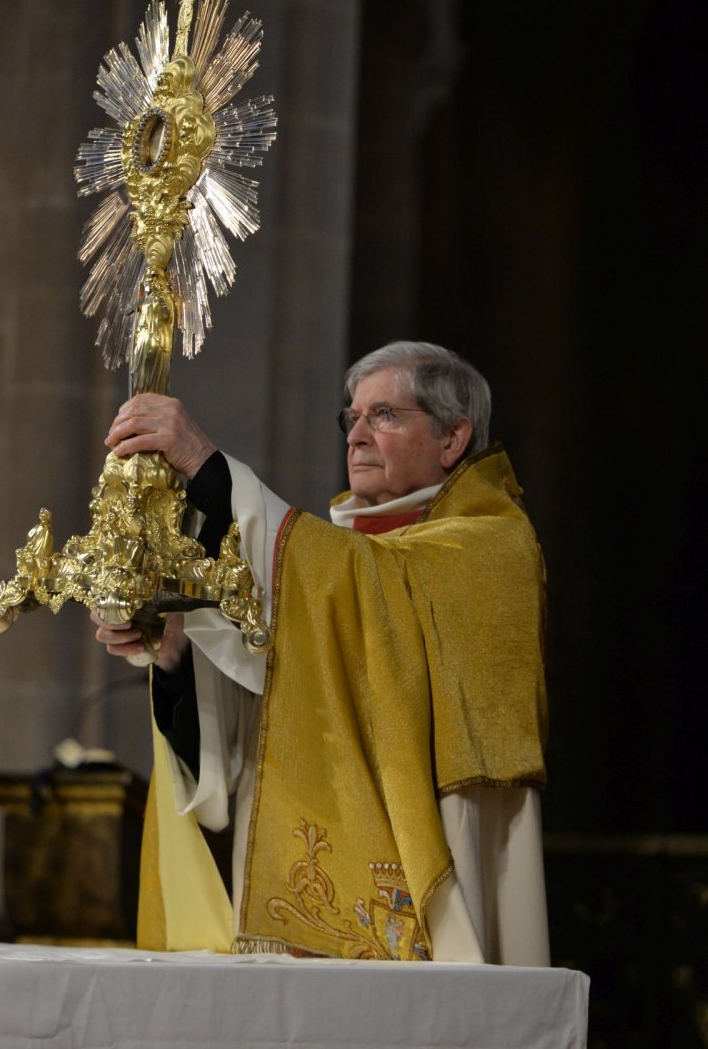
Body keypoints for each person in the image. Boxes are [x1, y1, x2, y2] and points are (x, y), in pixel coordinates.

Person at [92, 342, 549, 963]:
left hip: (440, 866)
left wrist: (206, 465)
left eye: (383, 415)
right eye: (351, 417)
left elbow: (373, 590)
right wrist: (178, 653)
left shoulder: (492, 545)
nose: (356, 435)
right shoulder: (328, 563)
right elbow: (267, 705)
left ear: (453, 439)